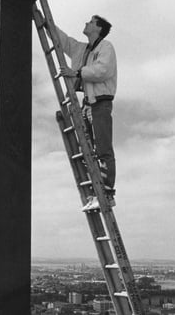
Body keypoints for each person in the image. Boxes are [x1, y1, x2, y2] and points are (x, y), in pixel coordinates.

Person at [57, 15, 117, 211]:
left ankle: (107, 194)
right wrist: (42, 20)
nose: (86, 23)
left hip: (100, 104)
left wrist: (76, 73)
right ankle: (95, 192)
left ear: (98, 29)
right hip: (86, 105)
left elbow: (103, 70)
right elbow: (62, 39)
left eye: (91, 22)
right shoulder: (81, 49)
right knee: (87, 152)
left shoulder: (105, 47)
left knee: (103, 149)